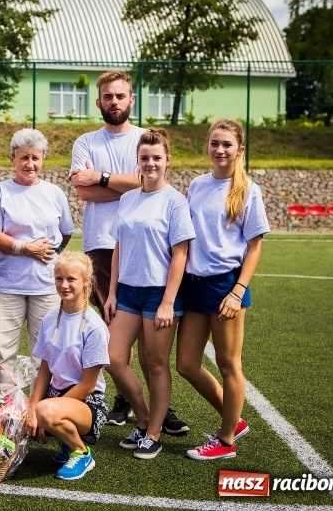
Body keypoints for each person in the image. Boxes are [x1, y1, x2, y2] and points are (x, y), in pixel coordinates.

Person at [70, 70, 189, 435]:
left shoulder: (144, 140)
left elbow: (146, 182)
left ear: (131, 100)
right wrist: (122, 183)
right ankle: (129, 400)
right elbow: (83, 191)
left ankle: (157, 412)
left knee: (150, 345)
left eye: (120, 96)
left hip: (145, 247)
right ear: (99, 101)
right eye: (108, 96)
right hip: (102, 244)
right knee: (115, 331)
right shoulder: (86, 142)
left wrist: (101, 177)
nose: (114, 102)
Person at [176, 119, 270, 460]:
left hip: (226, 285)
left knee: (229, 365)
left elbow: (254, 247)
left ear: (239, 149)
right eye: (214, 143)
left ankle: (226, 440)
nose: (220, 150)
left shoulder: (248, 190)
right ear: (207, 146)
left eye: (227, 144)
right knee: (186, 364)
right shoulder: (197, 185)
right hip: (194, 285)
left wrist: (237, 291)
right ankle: (234, 419)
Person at [103, 129, 195, 460]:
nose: (151, 163)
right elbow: (118, 247)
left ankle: (154, 434)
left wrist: (168, 301)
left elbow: (180, 254)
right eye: (145, 158)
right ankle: (143, 419)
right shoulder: (128, 198)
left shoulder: (175, 201)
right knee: (112, 357)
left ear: (167, 160)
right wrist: (112, 293)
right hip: (128, 292)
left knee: (155, 364)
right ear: (137, 161)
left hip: (159, 294)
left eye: (157, 158)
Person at [0, 128, 74, 385]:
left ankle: (40, 407)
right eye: (24, 157)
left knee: (46, 353)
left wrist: (49, 253)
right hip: (6, 285)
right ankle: (6, 407)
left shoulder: (54, 193)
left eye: (35, 158)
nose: (30, 164)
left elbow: (65, 233)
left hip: (46, 286)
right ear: (12, 159)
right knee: (3, 354)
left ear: (43, 159)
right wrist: (26, 248)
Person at [26, 251, 110, 481]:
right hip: (56, 396)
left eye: (71, 279)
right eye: (59, 278)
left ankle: (81, 452)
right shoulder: (49, 319)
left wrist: (44, 410)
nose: (64, 285)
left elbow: (88, 385)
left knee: (44, 411)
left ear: (86, 281)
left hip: (87, 402)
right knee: (19, 409)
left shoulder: (94, 326)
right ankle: (65, 439)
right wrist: (32, 407)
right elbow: (45, 369)